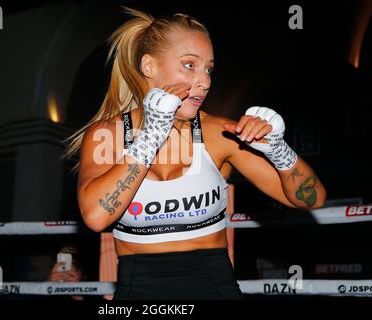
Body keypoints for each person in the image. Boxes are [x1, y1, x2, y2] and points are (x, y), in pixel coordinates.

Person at [64, 7, 326, 300]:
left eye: (209, 69)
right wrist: (151, 136)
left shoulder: (219, 133)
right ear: (149, 66)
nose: (205, 81)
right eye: (190, 65)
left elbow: (312, 199)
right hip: (137, 291)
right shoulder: (107, 135)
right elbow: (97, 216)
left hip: (214, 286)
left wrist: (279, 150)